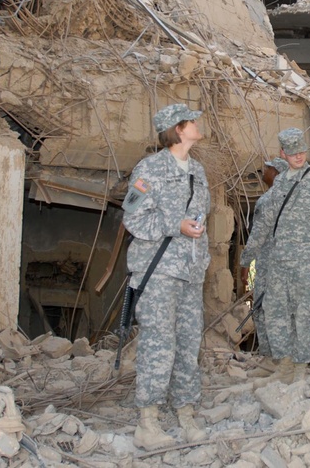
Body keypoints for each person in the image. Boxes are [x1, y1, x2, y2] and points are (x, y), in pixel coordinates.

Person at [122, 103, 210, 449]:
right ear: (177, 129)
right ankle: (148, 421)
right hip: (159, 272)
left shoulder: (198, 171)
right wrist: (175, 226)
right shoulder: (149, 169)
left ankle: (185, 414)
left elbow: (201, 218)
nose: (197, 124)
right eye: (192, 121)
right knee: (159, 344)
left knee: (189, 343)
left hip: (190, 271)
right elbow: (133, 218)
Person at [242, 127, 310, 383]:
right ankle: (284, 364)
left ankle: (300, 368)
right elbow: (264, 226)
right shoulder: (279, 184)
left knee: (305, 314)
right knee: (276, 313)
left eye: (302, 151)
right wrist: (247, 257)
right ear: (283, 153)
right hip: (278, 263)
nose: (298, 156)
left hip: (308, 262)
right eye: (293, 152)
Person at [240, 157, 289, 357]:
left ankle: (272, 360)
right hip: (291, 269)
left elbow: (257, 236)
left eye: (267, 168)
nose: (263, 171)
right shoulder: (295, 199)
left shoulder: (268, 200)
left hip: (270, 268)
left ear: (276, 173)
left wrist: (245, 263)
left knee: (263, 312)